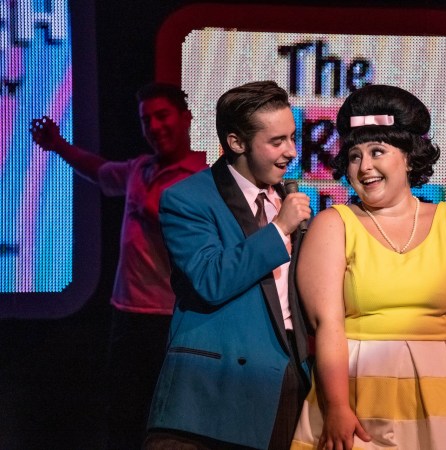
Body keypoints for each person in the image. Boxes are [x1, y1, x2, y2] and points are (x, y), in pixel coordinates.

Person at [291, 84, 446, 450]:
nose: (365, 166)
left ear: (409, 157)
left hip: (444, 398)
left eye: (377, 151)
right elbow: (329, 325)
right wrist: (338, 406)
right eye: (355, 156)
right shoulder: (334, 225)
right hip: (358, 397)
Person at [29, 82, 208, 449]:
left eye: (162, 116)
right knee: (123, 414)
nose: (154, 127)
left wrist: (156, 210)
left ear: (186, 118)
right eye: (146, 120)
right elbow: (99, 170)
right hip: (127, 314)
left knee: (170, 419)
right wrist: (58, 145)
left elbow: (203, 245)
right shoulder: (140, 169)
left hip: (174, 319)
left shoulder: (203, 177)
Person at [144, 81, 313, 450]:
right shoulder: (187, 198)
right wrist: (279, 229)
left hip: (284, 379)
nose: (291, 151)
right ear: (236, 142)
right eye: (277, 141)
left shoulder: (288, 199)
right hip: (214, 391)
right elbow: (210, 279)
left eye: (292, 137)